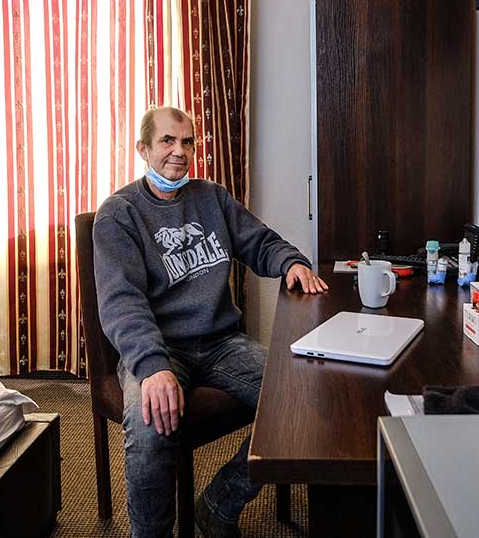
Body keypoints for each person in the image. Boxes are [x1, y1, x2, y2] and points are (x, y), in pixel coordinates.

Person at [93, 106, 328, 538]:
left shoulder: (212, 198)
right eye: (167, 141)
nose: (179, 152)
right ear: (143, 149)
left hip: (221, 343)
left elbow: (261, 242)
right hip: (159, 349)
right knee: (148, 429)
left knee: (302, 399)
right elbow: (121, 302)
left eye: (187, 142)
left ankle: (219, 503)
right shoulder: (119, 214)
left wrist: (291, 263)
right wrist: (152, 366)